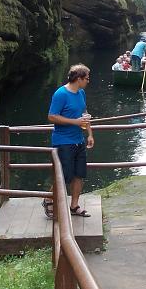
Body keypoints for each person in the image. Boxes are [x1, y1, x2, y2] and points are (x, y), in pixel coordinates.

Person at [44, 64, 95, 218]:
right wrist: (75, 122)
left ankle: (74, 206)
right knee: (64, 176)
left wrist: (90, 134)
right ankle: (48, 199)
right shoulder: (61, 94)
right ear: (78, 79)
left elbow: (84, 114)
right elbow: (52, 116)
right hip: (63, 141)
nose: (88, 81)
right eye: (86, 79)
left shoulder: (81, 93)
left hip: (79, 140)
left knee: (79, 174)